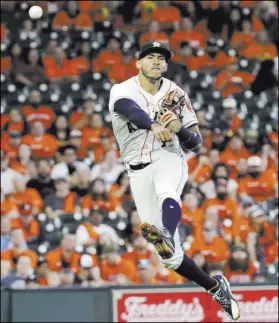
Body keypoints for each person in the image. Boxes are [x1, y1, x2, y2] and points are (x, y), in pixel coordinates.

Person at [108, 40, 240, 320]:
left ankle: (167, 231)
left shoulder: (177, 94)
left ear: (166, 65)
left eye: (161, 58)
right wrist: (156, 125)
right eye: (150, 57)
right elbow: (130, 110)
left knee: (167, 191)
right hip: (136, 169)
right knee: (170, 259)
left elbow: (195, 143)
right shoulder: (122, 89)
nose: (156, 61)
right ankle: (215, 287)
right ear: (138, 63)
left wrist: (179, 129)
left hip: (168, 158)